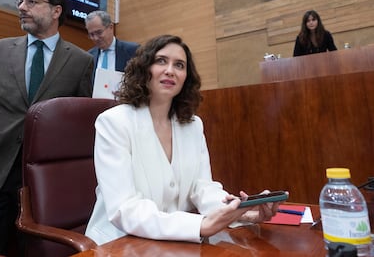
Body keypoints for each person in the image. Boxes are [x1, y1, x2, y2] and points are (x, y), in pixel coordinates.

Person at [85, 34, 281, 245]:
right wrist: (199, 226)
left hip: (171, 243)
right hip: (119, 243)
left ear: (186, 76)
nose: (170, 70)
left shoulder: (193, 125)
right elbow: (125, 209)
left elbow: (202, 187)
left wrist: (238, 212)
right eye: (161, 61)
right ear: (144, 69)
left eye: (179, 65)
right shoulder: (113, 122)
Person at [0, 0, 93, 255]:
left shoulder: (81, 62)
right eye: (21, 1)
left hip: (45, 185)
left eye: (32, 2)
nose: (22, 7)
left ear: (56, 11)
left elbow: (79, 131)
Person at [84, 10, 139, 84]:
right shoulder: (88, 57)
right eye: (91, 35)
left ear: (111, 27)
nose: (96, 38)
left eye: (99, 32)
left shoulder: (132, 50)